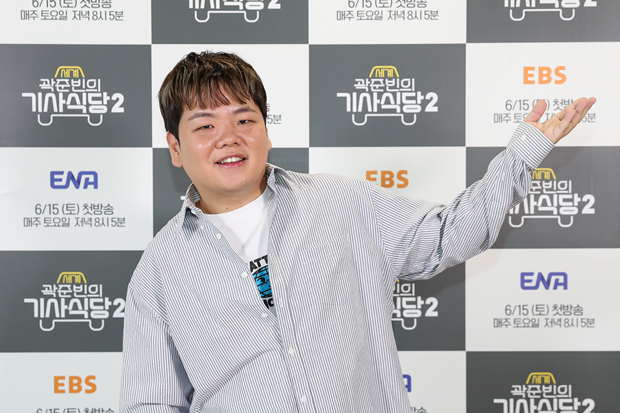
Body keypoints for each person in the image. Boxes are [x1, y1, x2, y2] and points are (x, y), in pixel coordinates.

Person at [119, 51, 595, 413]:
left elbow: (448, 235)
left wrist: (521, 155)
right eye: (205, 126)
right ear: (175, 148)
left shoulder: (342, 204)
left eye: (245, 119)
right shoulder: (160, 268)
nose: (229, 137)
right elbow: (151, 401)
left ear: (265, 131)